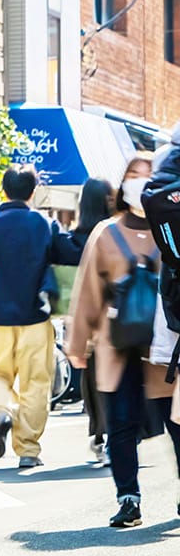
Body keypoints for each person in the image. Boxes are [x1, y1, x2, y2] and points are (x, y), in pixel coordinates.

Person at [68, 157, 180, 527]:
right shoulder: (105, 233)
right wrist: (77, 344)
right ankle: (128, 498)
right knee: (120, 423)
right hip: (116, 345)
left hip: (164, 347)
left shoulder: (172, 226)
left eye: (148, 176)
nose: (140, 183)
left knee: (177, 423)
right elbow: (88, 292)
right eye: (133, 175)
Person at [0, 165, 81, 469]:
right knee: (36, 383)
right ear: (33, 191)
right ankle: (28, 450)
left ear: (4, 190)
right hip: (36, 319)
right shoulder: (44, 224)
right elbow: (71, 254)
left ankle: (1, 412)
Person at [70, 178, 116, 467]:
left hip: (88, 321)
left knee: (94, 379)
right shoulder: (117, 234)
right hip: (121, 319)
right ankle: (116, 436)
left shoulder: (71, 242)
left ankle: (101, 433)